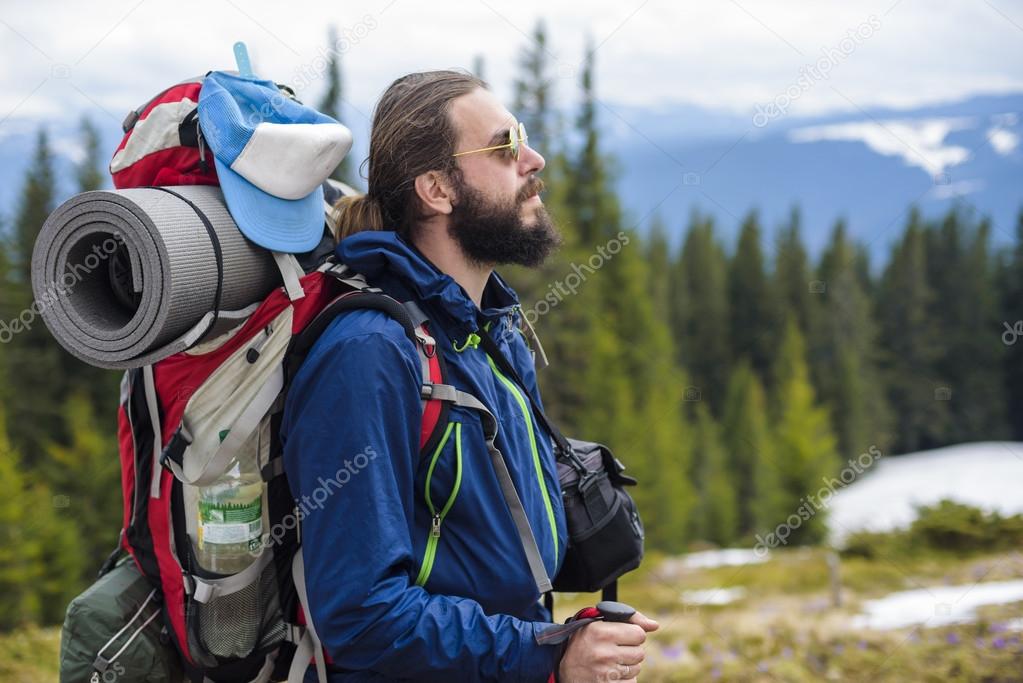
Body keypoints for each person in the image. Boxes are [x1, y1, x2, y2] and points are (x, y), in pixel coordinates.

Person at [281, 69, 658, 682]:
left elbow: (477, 546)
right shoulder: (371, 354)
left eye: (524, 139)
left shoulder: (485, 331)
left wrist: (566, 634)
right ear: (436, 189)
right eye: (505, 146)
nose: (533, 159)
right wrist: (547, 653)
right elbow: (360, 616)